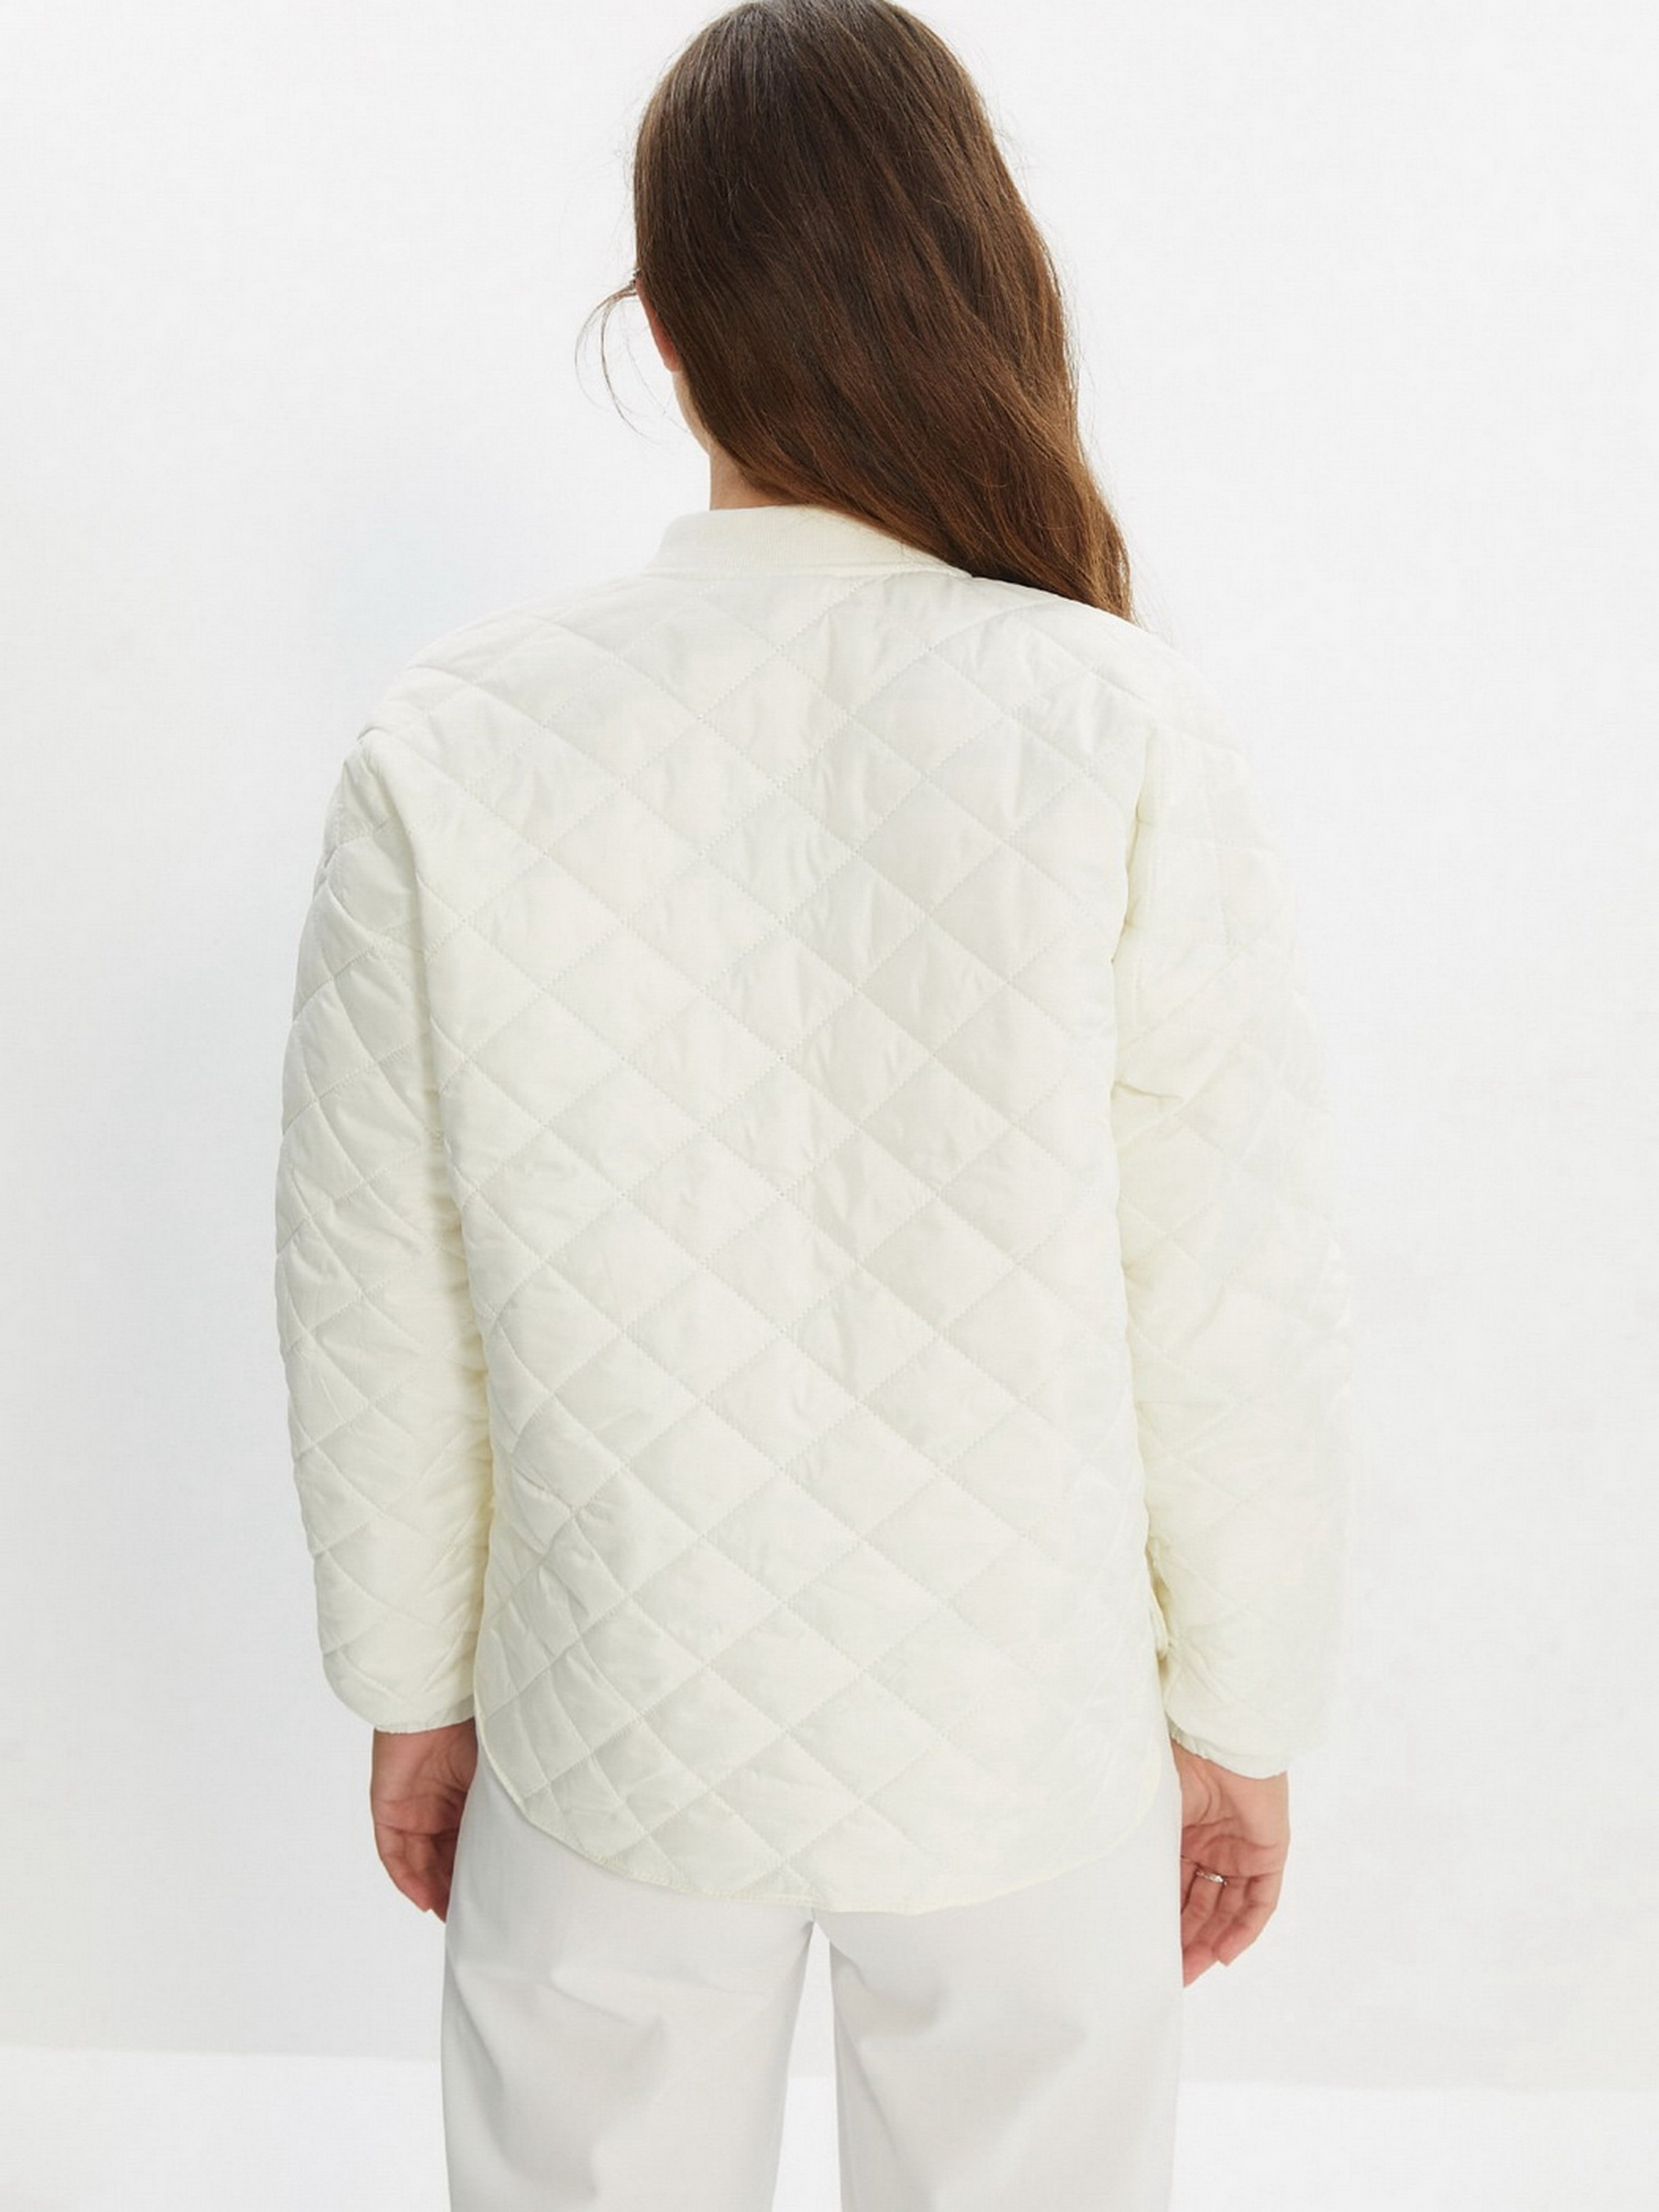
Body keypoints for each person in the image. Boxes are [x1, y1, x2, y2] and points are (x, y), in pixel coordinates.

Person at [271, 2, 1353, 2205]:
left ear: (661, 329)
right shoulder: (1121, 728)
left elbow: (374, 1290)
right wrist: (1240, 1719)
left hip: (606, 1726)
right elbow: (1227, 1295)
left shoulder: (449, 745)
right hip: (1020, 1744)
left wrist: (412, 1684)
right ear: (974, 284)